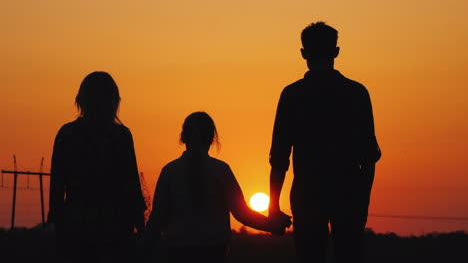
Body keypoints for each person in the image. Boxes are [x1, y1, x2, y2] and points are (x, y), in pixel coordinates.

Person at [268, 22, 381, 263]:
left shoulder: (292, 95)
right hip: (349, 194)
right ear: (336, 52)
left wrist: (273, 206)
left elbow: (279, 158)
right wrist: (363, 199)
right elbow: (369, 156)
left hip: (307, 194)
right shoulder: (357, 93)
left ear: (303, 54)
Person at [144, 111, 291, 263]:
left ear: (183, 137)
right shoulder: (221, 170)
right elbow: (242, 214)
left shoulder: (169, 171)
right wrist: (273, 225)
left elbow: (157, 218)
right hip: (214, 250)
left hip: (178, 250)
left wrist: (144, 248)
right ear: (211, 139)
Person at [48, 71, 147, 263]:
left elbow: (57, 186)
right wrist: (141, 228)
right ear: (114, 101)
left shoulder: (67, 134)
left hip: (77, 226)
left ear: (82, 100)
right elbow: (132, 185)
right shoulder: (121, 136)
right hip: (115, 228)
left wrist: (58, 225)